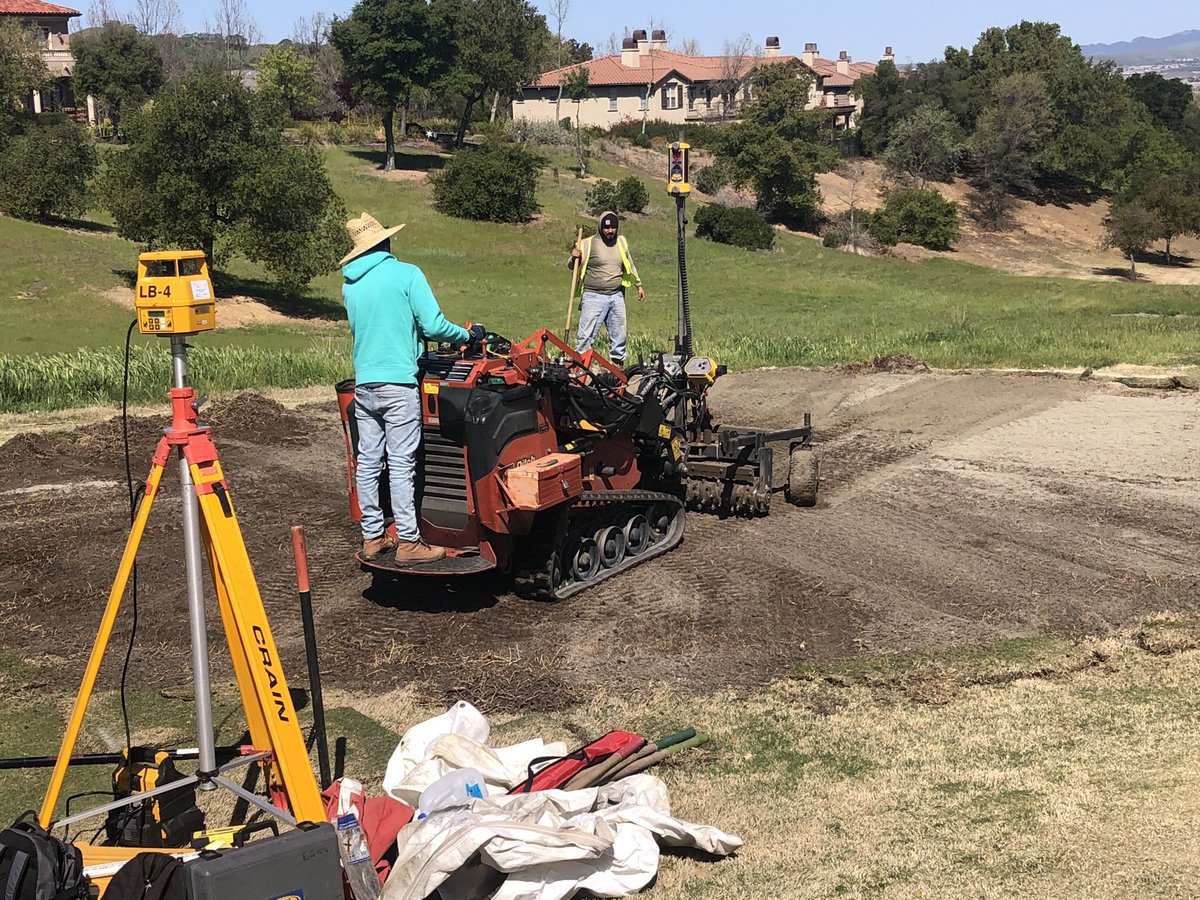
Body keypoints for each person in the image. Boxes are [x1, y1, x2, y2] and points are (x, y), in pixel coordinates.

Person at [340, 212, 483, 566]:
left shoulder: (350, 285)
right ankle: (408, 541)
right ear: (386, 243)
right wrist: (469, 336)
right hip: (399, 382)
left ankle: (373, 536)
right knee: (403, 463)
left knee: (369, 460)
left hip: (365, 383)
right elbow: (433, 325)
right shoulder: (406, 274)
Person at [569, 211, 644, 368]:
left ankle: (617, 365)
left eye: (613, 228)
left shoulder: (621, 242)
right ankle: (581, 366)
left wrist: (638, 285)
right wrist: (574, 256)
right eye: (607, 228)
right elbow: (572, 266)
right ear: (600, 227)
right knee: (586, 335)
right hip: (593, 296)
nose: (610, 231)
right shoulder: (587, 244)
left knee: (619, 333)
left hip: (616, 295)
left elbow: (629, 264)